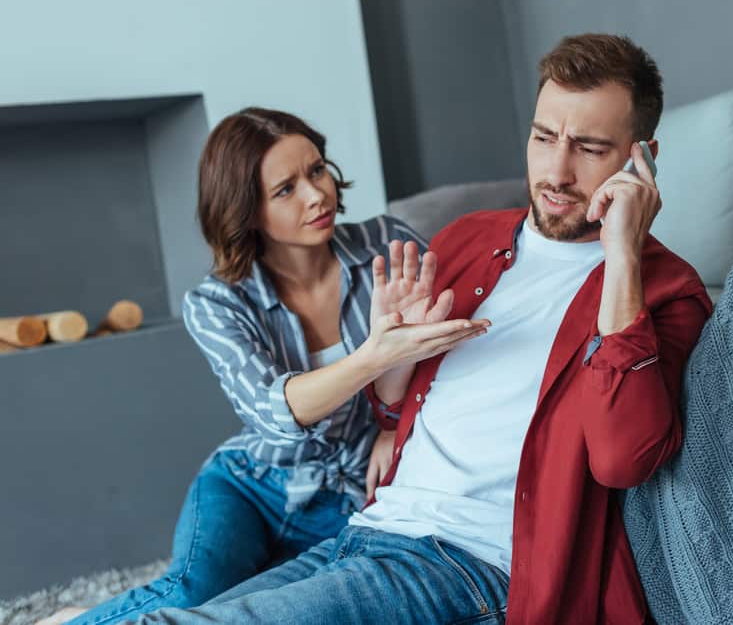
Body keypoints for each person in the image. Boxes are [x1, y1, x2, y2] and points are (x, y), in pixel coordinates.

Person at [132, 33, 712, 625]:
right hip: (368, 531)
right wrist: (394, 360)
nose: (556, 172)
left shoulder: (665, 292)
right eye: (543, 138)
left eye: (589, 147)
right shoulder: (467, 239)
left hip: (468, 564)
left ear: (641, 157)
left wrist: (623, 256)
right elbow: (404, 409)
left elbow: (624, 460)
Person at [41, 108, 486, 625]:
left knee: (249, 611)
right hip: (254, 482)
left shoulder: (386, 245)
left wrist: (394, 426)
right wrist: (376, 356)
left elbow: (441, 354)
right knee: (188, 593)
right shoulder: (216, 304)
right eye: (286, 189)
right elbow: (272, 410)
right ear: (246, 210)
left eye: (317, 170)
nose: (317, 195)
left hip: (355, 493)